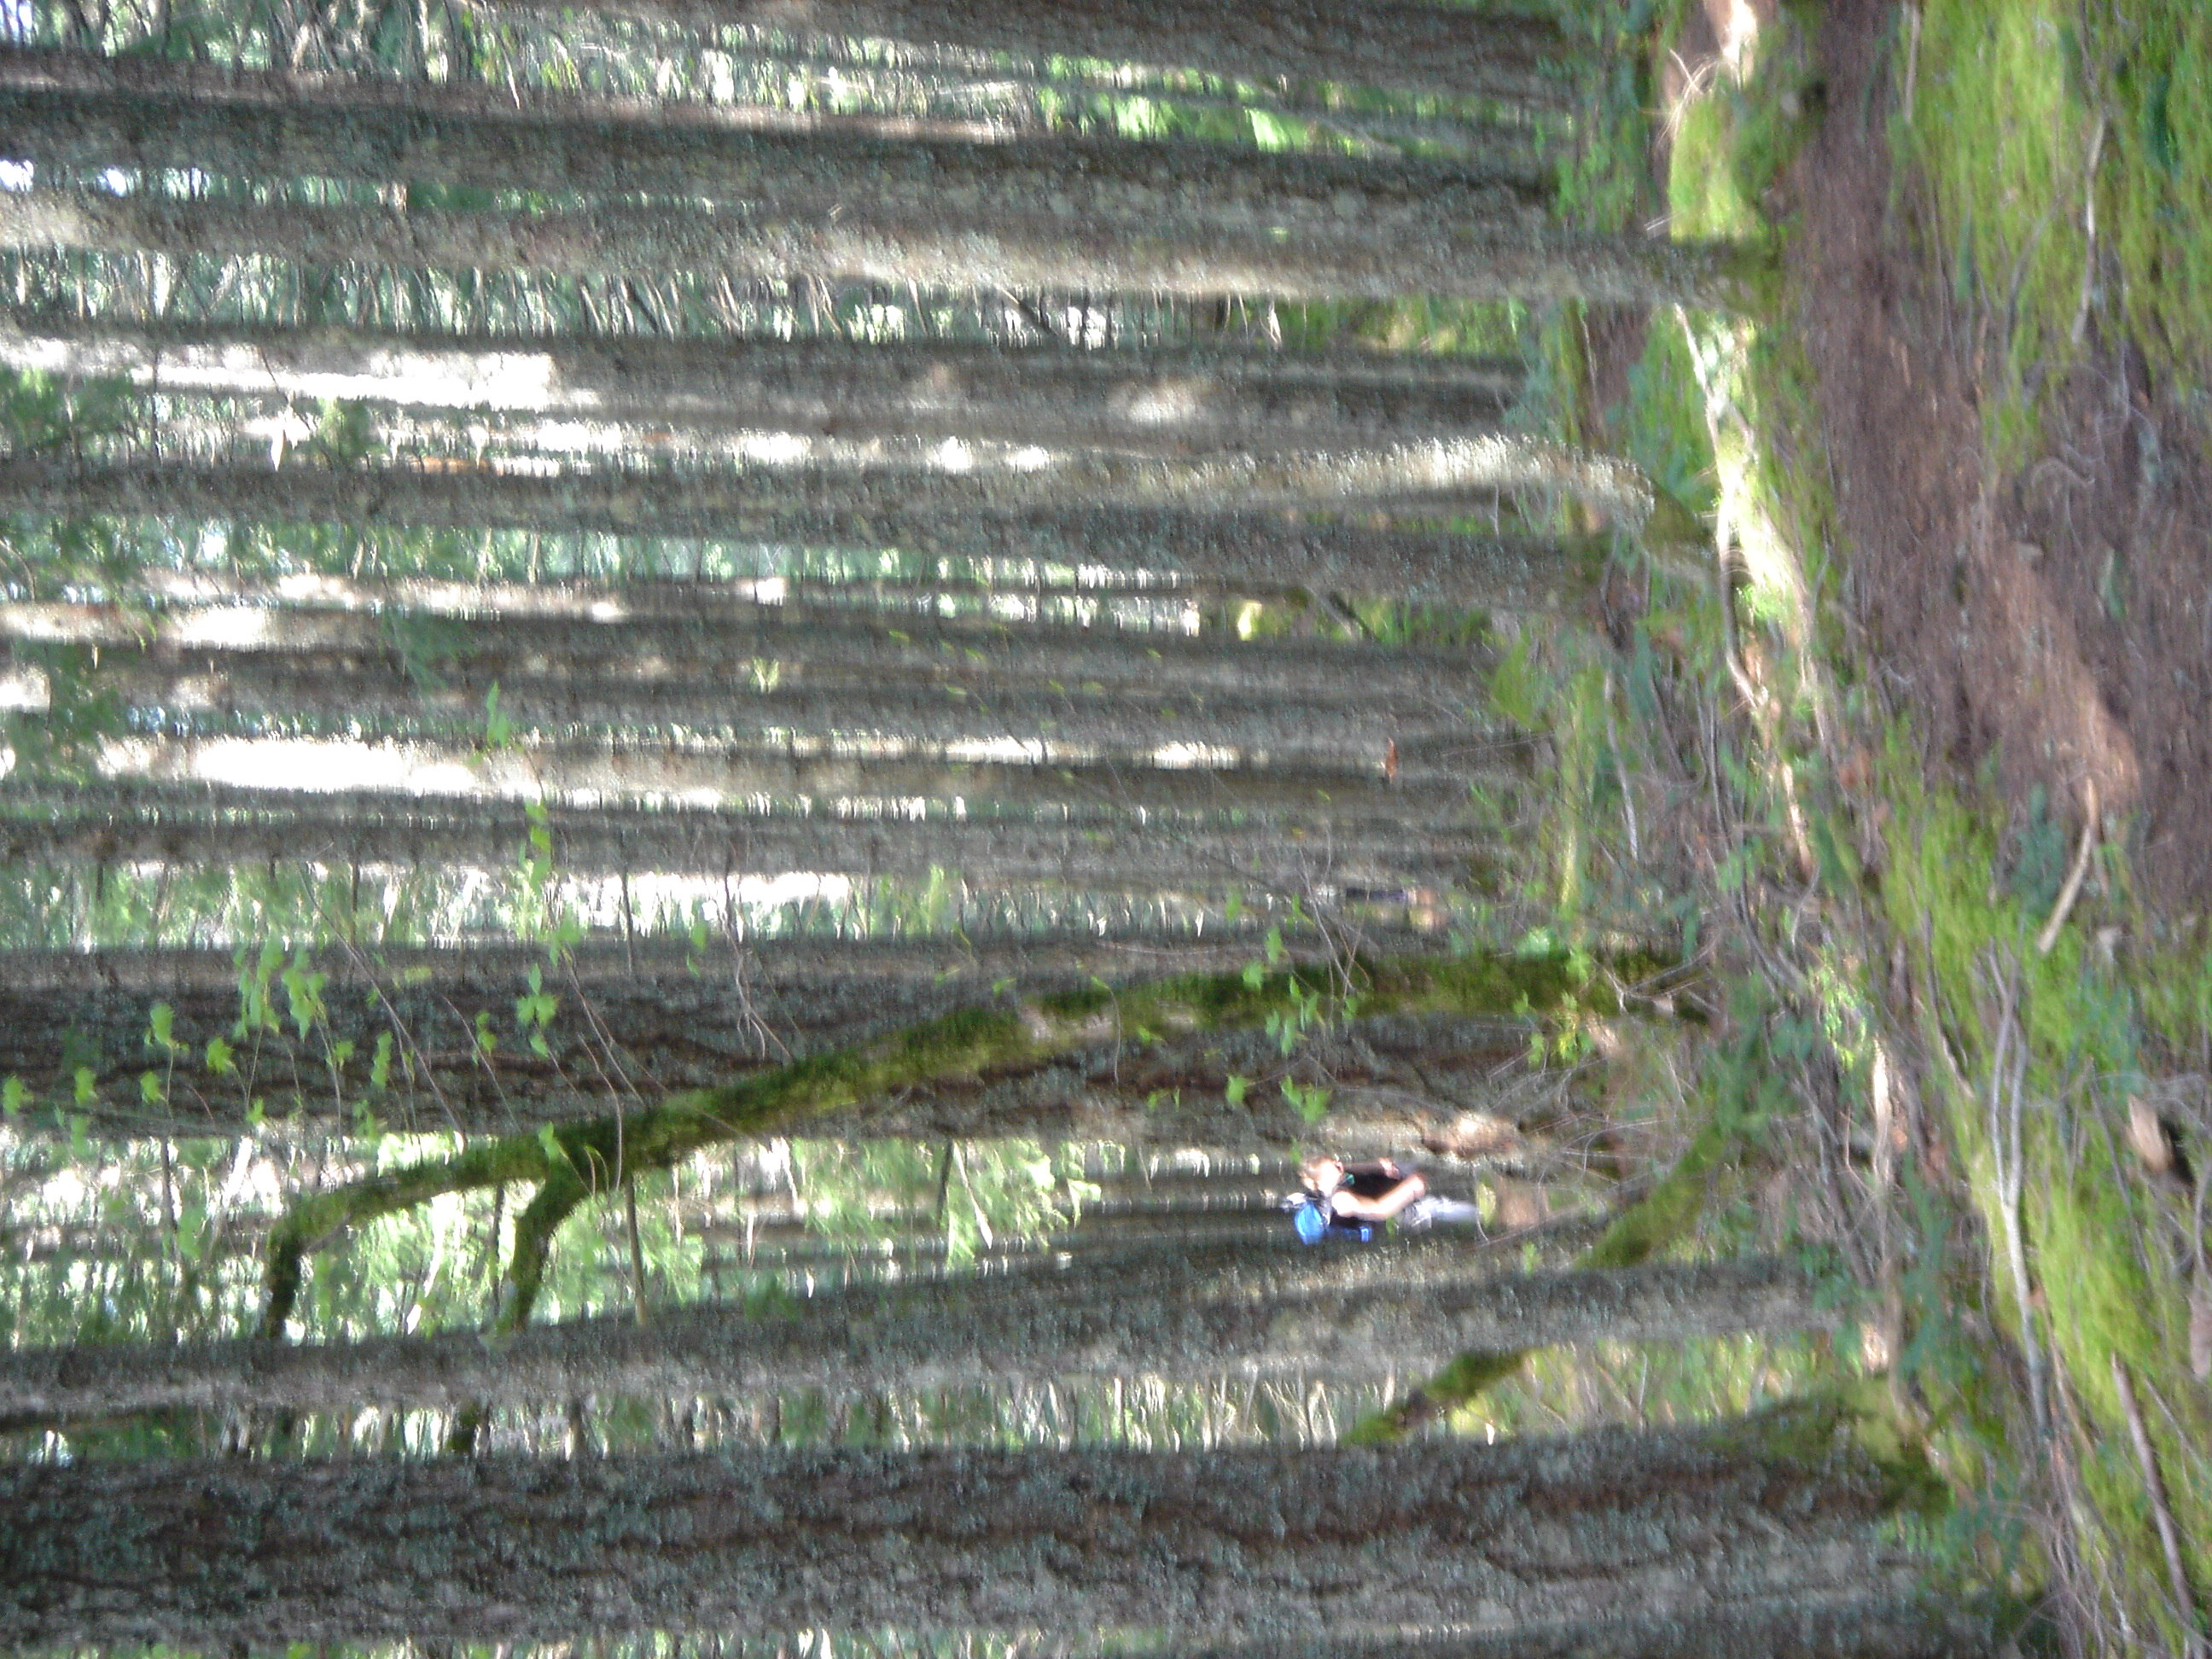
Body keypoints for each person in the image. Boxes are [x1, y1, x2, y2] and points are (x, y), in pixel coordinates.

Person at [1294, 1155, 1483, 1239]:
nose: (1339, 1164)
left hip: (1375, 1191)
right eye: (1335, 1166)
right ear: (1323, 1180)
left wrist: (1381, 1166)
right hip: (1385, 1219)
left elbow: (1353, 1168)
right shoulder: (1341, 1202)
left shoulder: (1337, 1175)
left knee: (1406, 1165)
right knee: (1434, 1207)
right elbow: (1380, 1211)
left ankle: (1471, 1171)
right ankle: (1485, 1213)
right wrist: (1409, 1189)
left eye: (1336, 1161)